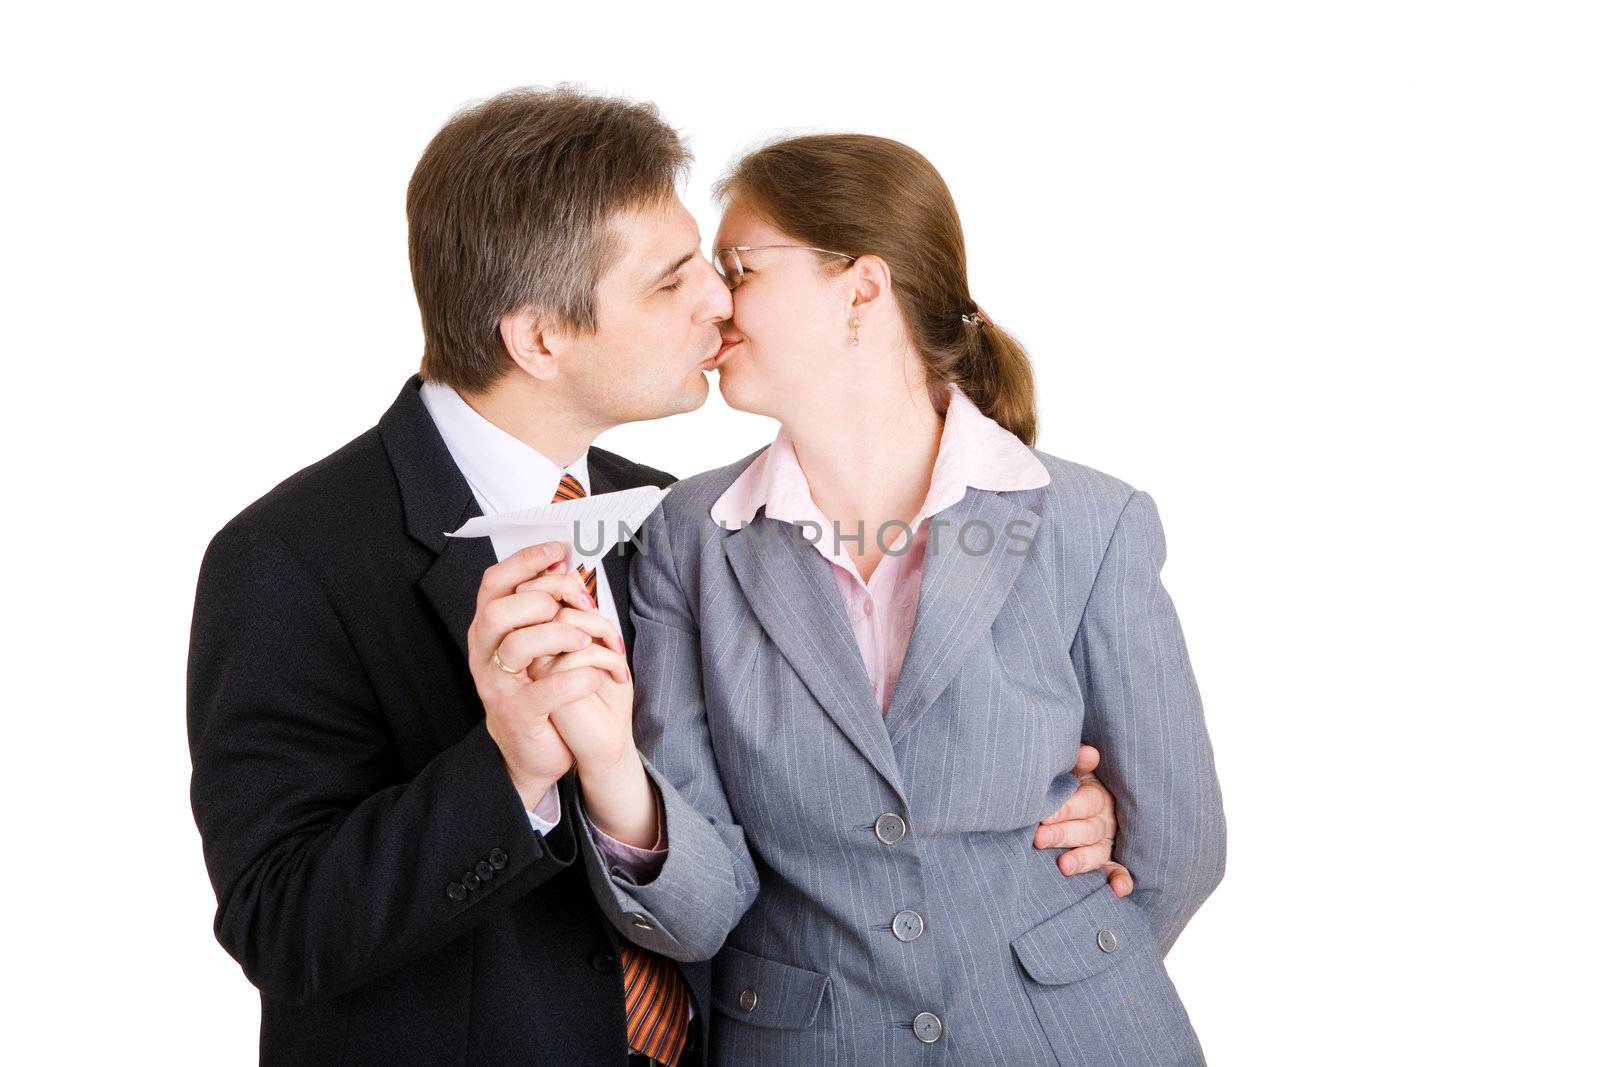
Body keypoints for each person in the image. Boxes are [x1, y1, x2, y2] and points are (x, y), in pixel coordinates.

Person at [186, 88, 1130, 1065]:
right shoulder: (285, 557)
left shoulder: (687, 520)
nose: (720, 301)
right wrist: (512, 765)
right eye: (673, 279)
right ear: (539, 337)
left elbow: (794, 810)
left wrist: (1038, 817)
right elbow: (282, 924)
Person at [539, 134, 1227, 1064]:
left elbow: (1176, 845)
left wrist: (1060, 966)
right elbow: (699, 906)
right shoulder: (688, 536)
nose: (711, 298)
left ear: (862, 288)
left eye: (738, 266)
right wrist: (610, 766)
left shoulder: (1088, 522)